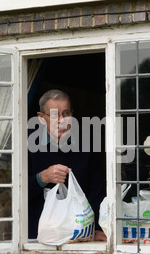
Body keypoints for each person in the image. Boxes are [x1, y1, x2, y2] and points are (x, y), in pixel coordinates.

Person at [28, 89, 106, 241]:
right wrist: (42, 177)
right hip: (37, 235)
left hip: (79, 233)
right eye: (55, 115)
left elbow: (96, 191)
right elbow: (14, 192)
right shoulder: (26, 143)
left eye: (66, 114)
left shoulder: (86, 142)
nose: (61, 120)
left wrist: (94, 228)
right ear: (41, 118)